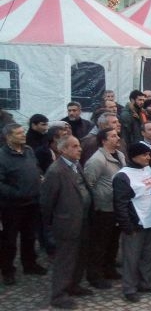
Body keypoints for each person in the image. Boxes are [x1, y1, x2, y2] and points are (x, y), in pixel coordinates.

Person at [40, 136, 93, 309]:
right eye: (75, 146)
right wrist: (50, 225)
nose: (80, 149)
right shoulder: (56, 171)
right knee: (65, 260)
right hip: (66, 222)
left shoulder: (76, 164)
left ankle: (73, 285)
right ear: (63, 150)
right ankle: (59, 295)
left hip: (83, 218)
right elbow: (47, 202)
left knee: (81, 255)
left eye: (79, 145)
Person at [112, 142, 151, 303]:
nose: (148, 157)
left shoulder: (148, 168)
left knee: (148, 255)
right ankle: (129, 288)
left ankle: (146, 282)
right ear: (134, 157)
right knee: (131, 258)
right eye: (144, 155)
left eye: (149, 154)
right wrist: (127, 225)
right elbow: (120, 204)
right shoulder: (123, 176)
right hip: (136, 223)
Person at [0, 123, 47, 286]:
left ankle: (30, 264)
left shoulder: (28, 151)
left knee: (29, 236)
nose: (23, 135)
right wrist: (16, 193)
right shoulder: (2, 156)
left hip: (32, 202)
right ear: (8, 137)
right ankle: (7, 270)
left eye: (23, 132)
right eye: (19, 133)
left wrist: (40, 177)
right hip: (12, 206)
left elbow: (35, 168)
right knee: (9, 240)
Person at [83, 128, 126, 289]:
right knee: (99, 244)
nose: (117, 138)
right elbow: (89, 184)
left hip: (117, 206)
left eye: (117, 135)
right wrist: (97, 203)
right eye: (113, 136)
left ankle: (109, 268)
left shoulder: (120, 155)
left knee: (113, 241)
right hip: (103, 208)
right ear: (103, 140)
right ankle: (95, 275)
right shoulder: (97, 160)